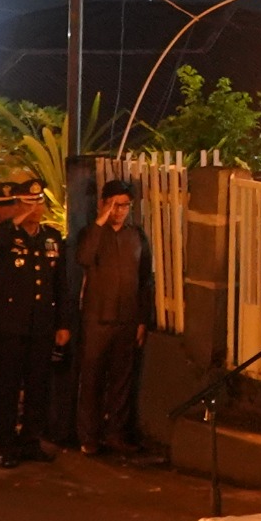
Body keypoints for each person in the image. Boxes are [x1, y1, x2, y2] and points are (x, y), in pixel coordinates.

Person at [0, 180, 67, 467]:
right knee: (6, 386)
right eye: (28, 203)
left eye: (39, 202)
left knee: (37, 386)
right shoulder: (1, 235)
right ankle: (4, 443)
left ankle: (31, 440)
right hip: (7, 326)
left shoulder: (51, 238)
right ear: (17, 206)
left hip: (40, 325)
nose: (35, 209)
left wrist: (63, 323)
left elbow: (61, 285)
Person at [67, 180, 153, 457]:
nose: (120, 211)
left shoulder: (136, 236)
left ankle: (115, 433)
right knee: (91, 378)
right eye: (115, 205)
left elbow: (145, 280)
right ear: (104, 204)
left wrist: (142, 319)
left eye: (125, 205)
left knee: (121, 380)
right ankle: (88, 436)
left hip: (126, 319)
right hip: (97, 318)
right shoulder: (92, 234)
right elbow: (83, 258)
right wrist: (100, 221)